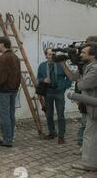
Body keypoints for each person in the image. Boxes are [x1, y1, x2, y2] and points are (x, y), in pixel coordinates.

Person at [62, 42, 97, 171]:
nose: (80, 54)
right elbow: (73, 77)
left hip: (94, 107)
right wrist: (62, 63)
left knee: (90, 134)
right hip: (91, 107)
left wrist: (80, 74)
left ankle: (89, 163)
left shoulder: (94, 68)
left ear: (93, 56)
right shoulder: (88, 67)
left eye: (83, 53)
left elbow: (82, 85)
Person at [36, 48, 72, 144]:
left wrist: (64, 86)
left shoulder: (61, 65)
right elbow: (38, 78)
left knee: (60, 115)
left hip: (59, 92)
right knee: (49, 114)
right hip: (48, 92)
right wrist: (43, 80)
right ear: (46, 56)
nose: (52, 56)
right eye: (50, 54)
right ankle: (52, 133)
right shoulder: (42, 66)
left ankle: (61, 135)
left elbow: (69, 77)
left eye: (53, 54)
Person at [0, 36, 21, 147]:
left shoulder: (4, 58)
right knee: (10, 115)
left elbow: (0, 76)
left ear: (3, 44)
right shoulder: (15, 57)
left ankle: (7, 140)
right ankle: (10, 137)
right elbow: (18, 75)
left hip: (3, 90)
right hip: (13, 90)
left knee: (4, 115)